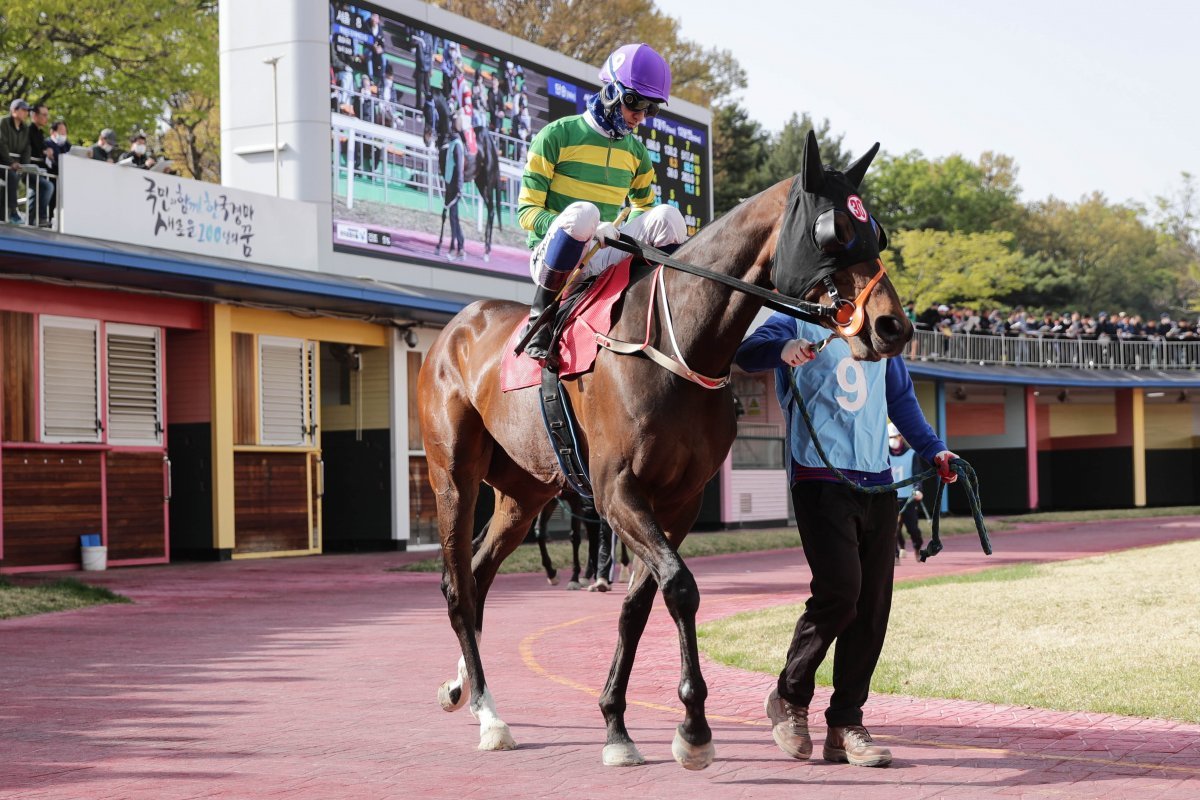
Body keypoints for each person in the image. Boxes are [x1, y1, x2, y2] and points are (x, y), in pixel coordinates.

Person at [734, 313, 958, 768]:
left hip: (877, 482)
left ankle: (845, 724)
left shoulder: (877, 330)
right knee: (840, 592)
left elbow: (900, 398)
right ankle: (790, 697)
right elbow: (745, 353)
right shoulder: (791, 321)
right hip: (819, 475)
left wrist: (933, 448)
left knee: (873, 604)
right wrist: (780, 352)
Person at [517, 43, 686, 360]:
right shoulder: (556, 135)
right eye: (635, 103)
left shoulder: (637, 154)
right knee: (585, 213)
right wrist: (591, 228)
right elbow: (527, 213)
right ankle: (539, 319)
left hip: (604, 253)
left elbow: (645, 210)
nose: (641, 116)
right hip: (553, 257)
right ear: (611, 92)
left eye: (651, 109)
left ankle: (663, 313)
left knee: (669, 217)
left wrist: (618, 235)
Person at [888, 423, 925, 562]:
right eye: (889, 437)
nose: (892, 439)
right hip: (891, 497)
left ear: (901, 437)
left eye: (894, 436)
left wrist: (918, 489)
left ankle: (917, 547)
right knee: (892, 529)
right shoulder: (883, 454)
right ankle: (895, 555)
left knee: (913, 528)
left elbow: (917, 475)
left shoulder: (912, 454)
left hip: (908, 497)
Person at [1, 99, 33, 223]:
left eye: (27, 110)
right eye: (23, 109)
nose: (26, 113)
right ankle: (14, 211)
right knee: (13, 178)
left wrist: (24, 166)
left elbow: (27, 148)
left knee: (12, 180)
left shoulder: (25, 128)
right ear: (14, 110)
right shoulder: (3, 122)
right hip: (3, 163)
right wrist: (10, 162)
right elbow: (1, 143)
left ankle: (4, 215)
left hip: (12, 165)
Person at [441, 113, 465, 261]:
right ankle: (459, 247)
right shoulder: (452, 143)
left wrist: (459, 188)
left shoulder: (457, 146)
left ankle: (457, 248)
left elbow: (460, 169)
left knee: (453, 217)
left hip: (454, 187)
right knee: (452, 217)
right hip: (450, 185)